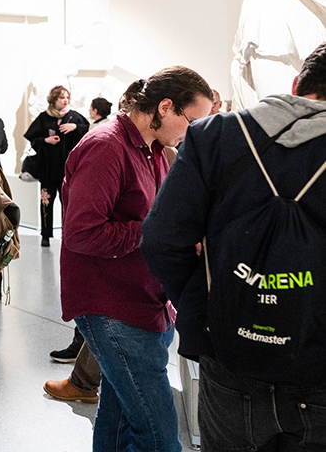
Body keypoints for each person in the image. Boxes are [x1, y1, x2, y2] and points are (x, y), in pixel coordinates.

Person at [142, 46, 326, 450]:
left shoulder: (214, 136)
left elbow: (160, 240)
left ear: (296, 85)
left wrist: (203, 303)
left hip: (230, 357)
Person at [60, 67, 213, 452]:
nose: (192, 133)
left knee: (118, 420)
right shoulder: (106, 146)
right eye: (191, 121)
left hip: (146, 302)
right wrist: (156, 231)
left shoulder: (156, 151)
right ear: (165, 107)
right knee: (159, 434)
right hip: (113, 306)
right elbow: (81, 233)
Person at [24, 85, 89, 247]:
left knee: (67, 204)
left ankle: (67, 235)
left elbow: (87, 132)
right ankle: (45, 235)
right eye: (61, 97)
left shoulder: (74, 117)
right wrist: (46, 140)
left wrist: (75, 127)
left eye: (67, 97)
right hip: (47, 169)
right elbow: (32, 138)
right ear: (54, 100)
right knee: (46, 201)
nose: (65, 100)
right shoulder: (44, 118)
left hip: (68, 171)